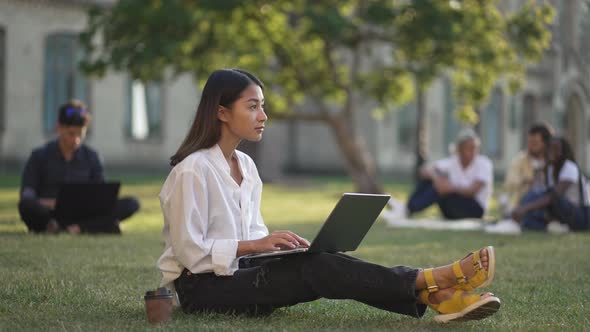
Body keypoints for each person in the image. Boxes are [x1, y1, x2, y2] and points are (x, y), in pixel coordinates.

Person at [156, 69, 501, 323]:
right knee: (318, 269)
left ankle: (437, 295)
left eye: (263, 106)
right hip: (202, 290)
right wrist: (256, 246)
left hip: (241, 274)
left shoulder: (245, 166)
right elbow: (191, 252)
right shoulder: (192, 170)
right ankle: (434, 280)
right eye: (252, 107)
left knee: (318, 260)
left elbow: (250, 236)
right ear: (221, 112)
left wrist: (279, 248)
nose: (263, 116)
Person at [18, 100, 140, 234]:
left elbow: (101, 196)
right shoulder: (39, 156)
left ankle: (73, 228)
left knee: (132, 203)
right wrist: (50, 203)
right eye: (71, 133)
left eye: (80, 134)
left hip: (84, 213)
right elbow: (27, 194)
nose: (76, 139)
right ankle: (94, 226)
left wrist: (87, 205)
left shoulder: (92, 157)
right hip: (50, 212)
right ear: (59, 127)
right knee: (26, 205)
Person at [383, 129, 493, 225]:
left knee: (440, 189)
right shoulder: (453, 162)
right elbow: (424, 171)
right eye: (468, 148)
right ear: (459, 149)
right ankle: (406, 208)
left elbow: (472, 191)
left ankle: (406, 210)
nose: (472, 151)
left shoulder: (484, 164)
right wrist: (436, 179)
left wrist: (449, 187)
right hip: (452, 207)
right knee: (430, 181)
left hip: (475, 209)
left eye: (474, 148)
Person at [487, 137, 590, 234]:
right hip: (562, 212)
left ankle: (521, 219)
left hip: (580, 215)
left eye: (556, 149)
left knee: (542, 196)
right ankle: (520, 221)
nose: (552, 153)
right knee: (533, 197)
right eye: (550, 149)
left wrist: (524, 208)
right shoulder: (550, 168)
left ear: (563, 151)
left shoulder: (569, 167)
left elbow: (554, 196)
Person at [498, 124, 553, 216]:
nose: (530, 146)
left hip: (548, 203)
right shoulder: (520, 159)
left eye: (535, 143)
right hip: (524, 203)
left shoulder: (553, 161)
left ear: (546, 143)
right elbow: (510, 181)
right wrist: (526, 180)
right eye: (529, 142)